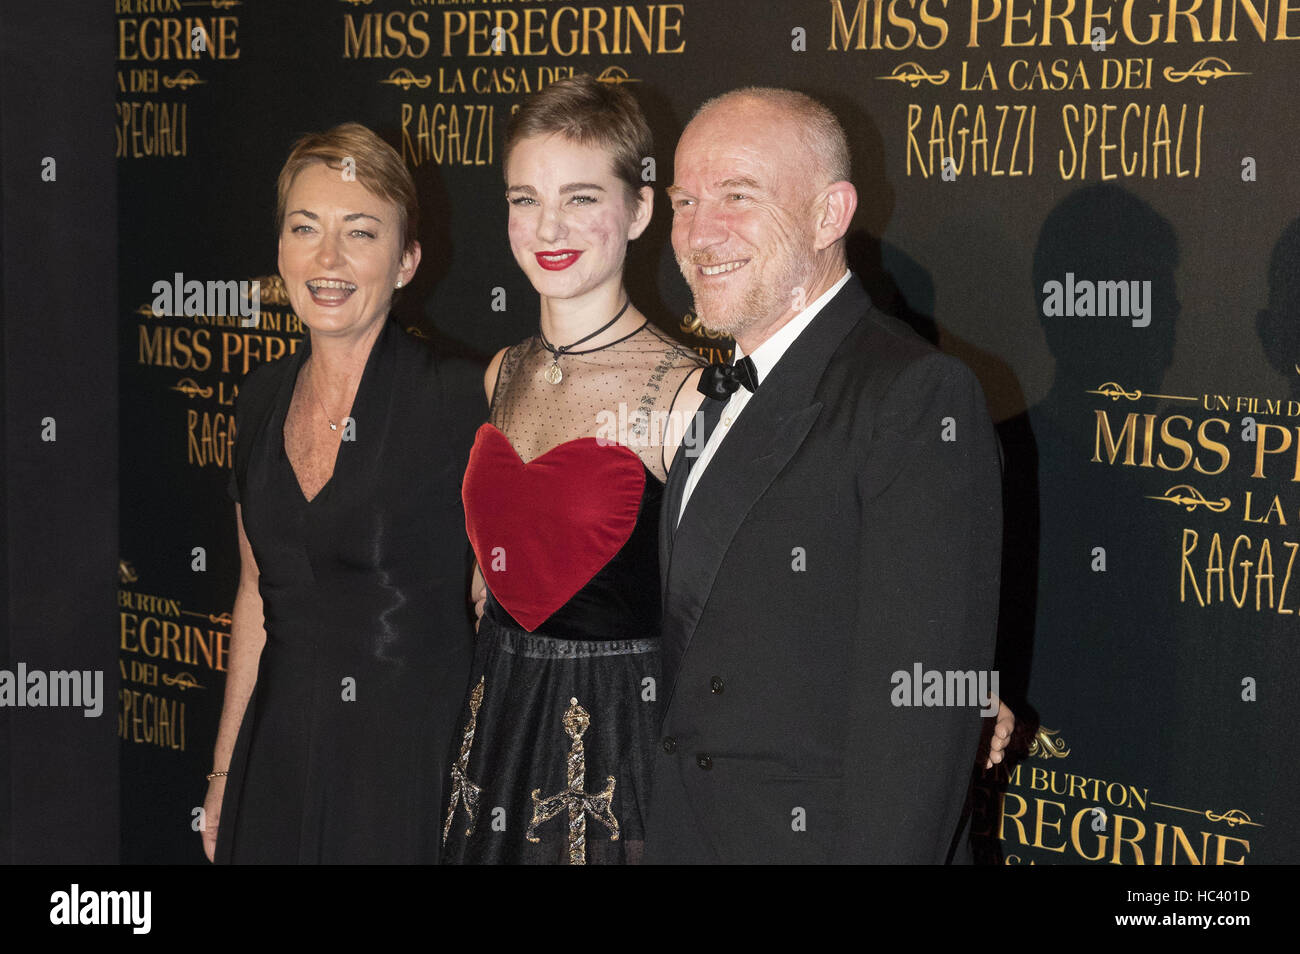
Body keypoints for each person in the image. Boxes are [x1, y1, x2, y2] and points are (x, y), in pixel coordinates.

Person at [644, 88, 1005, 864]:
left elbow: (920, 727)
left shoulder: (915, 396)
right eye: (685, 200)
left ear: (829, 215)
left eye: (738, 196)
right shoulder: (726, 385)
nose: (700, 233)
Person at [439, 76, 708, 864]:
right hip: (496, 722)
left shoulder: (688, 394)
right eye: (525, 198)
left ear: (641, 209)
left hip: (620, 741)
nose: (548, 226)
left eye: (582, 197)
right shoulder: (502, 372)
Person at [204, 123, 483, 863]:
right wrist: (226, 770)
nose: (327, 259)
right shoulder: (259, 398)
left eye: (360, 233)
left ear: (406, 261)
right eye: (306, 229)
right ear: (280, 251)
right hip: (277, 761)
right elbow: (256, 593)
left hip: (407, 776)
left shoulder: (462, 402)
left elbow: (500, 609)